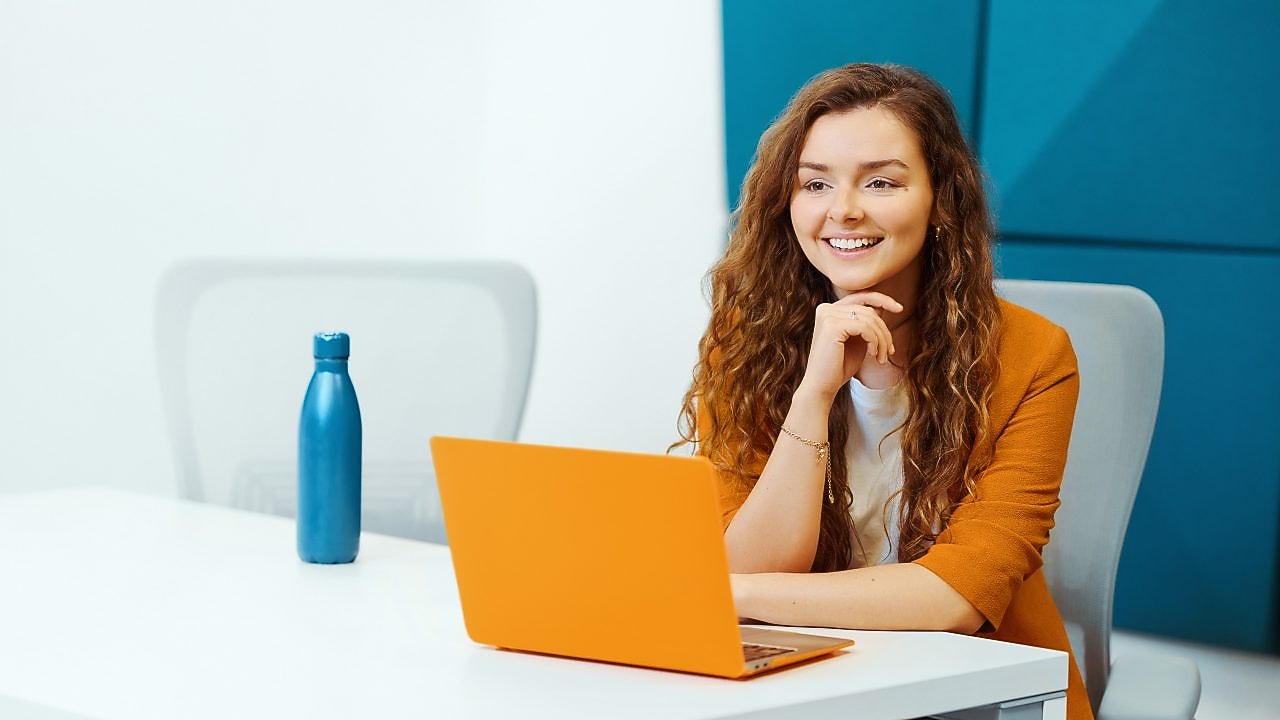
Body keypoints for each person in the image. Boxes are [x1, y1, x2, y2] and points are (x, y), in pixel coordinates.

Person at [675, 63, 1091, 720]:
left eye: (880, 182)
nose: (843, 209)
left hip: (979, 694)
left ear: (940, 198)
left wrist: (738, 593)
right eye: (815, 183)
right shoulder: (747, 344)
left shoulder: (1035, 356)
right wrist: (813, 395)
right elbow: (750, 562)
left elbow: (957, 598)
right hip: (809, 686)